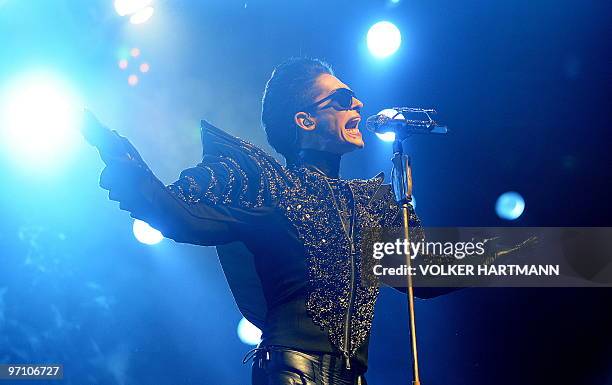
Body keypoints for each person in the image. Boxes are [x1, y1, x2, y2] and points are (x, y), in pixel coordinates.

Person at [85, 57, 429, 385]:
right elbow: (184, 216)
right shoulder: (271, 187)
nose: (358, 104)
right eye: (342, 98)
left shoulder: (371, 205)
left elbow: (434, 272)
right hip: (292, 374)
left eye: (353, 97)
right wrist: (128, 165)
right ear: (305, 120)